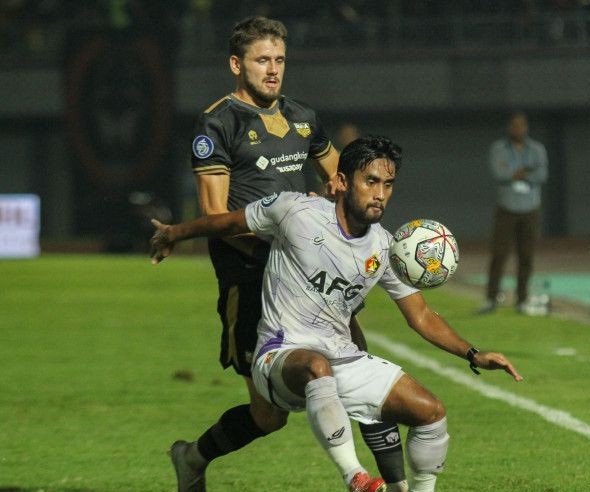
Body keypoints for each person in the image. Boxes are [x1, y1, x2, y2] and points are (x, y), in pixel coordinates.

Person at [150, 135, 523, 492]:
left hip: (341, 359)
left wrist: (474, 354)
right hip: (279, 354)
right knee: (315, 367)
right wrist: (175, 232)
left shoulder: (386, 248)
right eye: (371, 181)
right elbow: (228, 223)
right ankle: (355, 477)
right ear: (342, 181)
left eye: (388, 184)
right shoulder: (294, 211)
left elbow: (421, 316)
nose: (380, 194)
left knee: (431, 413)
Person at [176, 16, 408, 492]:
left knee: (360, 369)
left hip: (314, 278)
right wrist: (287, 236)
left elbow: (340, 177)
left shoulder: (302, 117)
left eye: (280, 60)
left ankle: (394, 485)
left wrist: (344, 208)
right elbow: (216, 216)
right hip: (250, 279)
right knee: (268, 417)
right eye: (263, 60)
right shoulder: (218, 122)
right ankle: (192, 458)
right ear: (236, 64)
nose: (274, 69)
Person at [478, 111, 549, 316]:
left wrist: (516, 173)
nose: (518, 129)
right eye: (515, 125)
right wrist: (526, 172)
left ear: (526, 128)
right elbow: (498, 173)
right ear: (509, 128)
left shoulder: (537, 149)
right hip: (506, 209)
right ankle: (491, 298)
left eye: (522, 125)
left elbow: (542, 174)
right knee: (499, 254)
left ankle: (522, 299)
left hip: (530, 209)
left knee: (526, 255)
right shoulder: (498, 149)